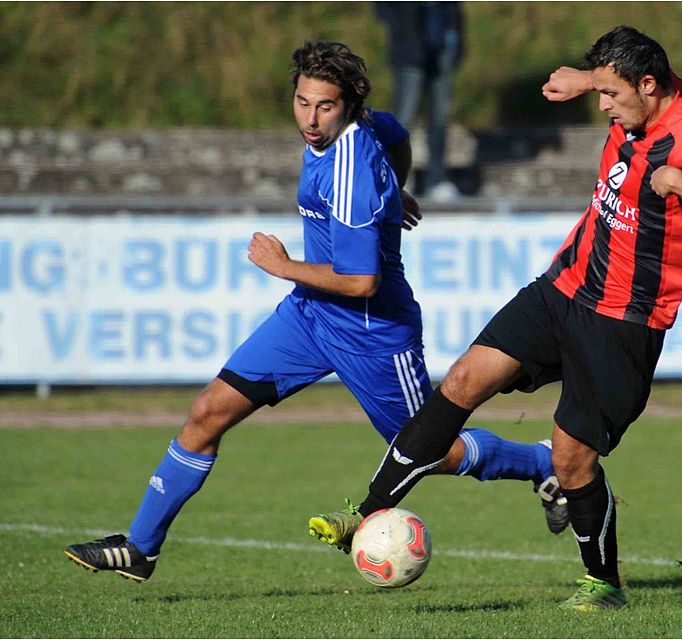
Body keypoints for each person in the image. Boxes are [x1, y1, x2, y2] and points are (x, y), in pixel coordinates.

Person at [63, 40, 566, 583]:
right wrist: (394, 191)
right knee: (208, 410)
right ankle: (141, 548)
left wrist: (283, 265)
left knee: (432, 450)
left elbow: (360, 279)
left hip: (373, 333)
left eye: (324, 106)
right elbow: (397, 135)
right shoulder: (360, 129)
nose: (310, 117)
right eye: (303, 102)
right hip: (308, 317)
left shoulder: (349, 172)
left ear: (349, 104)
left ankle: (543, 464)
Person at [308, 26, 682, 611]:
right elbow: (629, 73)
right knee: (463, 380)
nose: (605, 110)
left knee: (572, 460)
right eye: (603, 95)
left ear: (649, 87)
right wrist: (586, 79)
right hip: (562, 288)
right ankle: (363, 515)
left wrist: (677, 183)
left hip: (624, 322)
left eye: (613, 97)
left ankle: (603, 584)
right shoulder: (642, 92)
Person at [375, 1, 463, 201]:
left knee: (440, 119)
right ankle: (397, 180)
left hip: (441, 46)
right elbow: (383, 8)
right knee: (405, 118)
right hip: (409, 50)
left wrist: (457, 43)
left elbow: (455, 9)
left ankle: (437, 180)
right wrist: (403, 31)